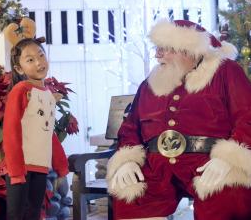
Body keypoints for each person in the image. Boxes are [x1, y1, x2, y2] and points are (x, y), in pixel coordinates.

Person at [106, 19, 251, 220]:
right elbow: (131, 127)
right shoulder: (150, 84)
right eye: (157, 48)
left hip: (208, 162)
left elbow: (247, 116)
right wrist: (127, 160)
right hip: (156, 167)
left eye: (165, 49)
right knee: (130, 194)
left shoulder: (225, 72)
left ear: (188, 50)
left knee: (226, 194)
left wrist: (229, 158)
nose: (157, 55)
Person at [3, 37, 69, 220]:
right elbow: (11, 130)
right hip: (20, 168)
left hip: (39, 166)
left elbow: (48, 134)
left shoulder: (47, 94)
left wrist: (61, 166)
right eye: (30, 60)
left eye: (41, 55)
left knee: (33, 214)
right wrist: (16, 171)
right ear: (19, 68)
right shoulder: (21, 91)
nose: (39, 62)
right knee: (16, 215)